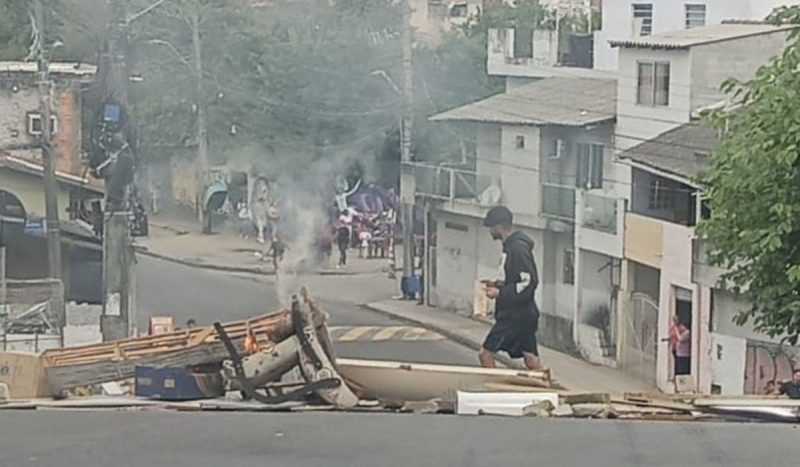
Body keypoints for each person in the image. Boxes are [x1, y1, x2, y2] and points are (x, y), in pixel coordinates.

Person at [479, 206, 543, 371]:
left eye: (491, 228)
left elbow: (528, 282)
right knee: (530, 359)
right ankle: (549, 391)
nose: (490, 232)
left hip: (514, 316)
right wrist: (496, 284)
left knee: (485, 354)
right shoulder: (510, 247)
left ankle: (497, 393)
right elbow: (514, 279)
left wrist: (500, 293)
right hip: (524, 314)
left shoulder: (517, 248)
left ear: (499, 227)